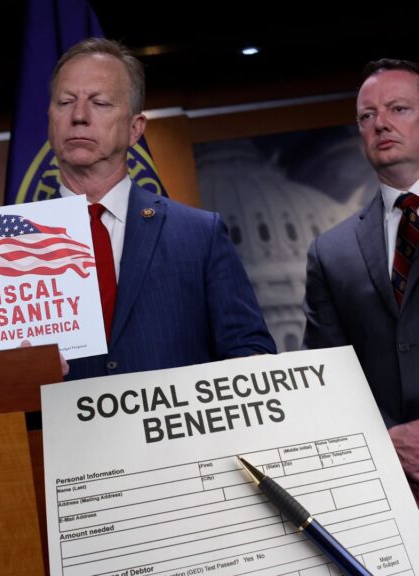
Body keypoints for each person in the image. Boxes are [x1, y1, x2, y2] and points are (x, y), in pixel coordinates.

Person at [47, 38, 275, 380]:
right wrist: (13, 370)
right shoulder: (5, 247)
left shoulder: (199, 234)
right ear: (49, 119)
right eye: (66, 102)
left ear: (135, 128)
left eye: (100, 103)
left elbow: (249, 352)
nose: (79, 116)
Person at [303, 59, 419, 496]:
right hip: (392, 482)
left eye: (398, 109)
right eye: (367, 117)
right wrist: (390, 439)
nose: (380, 124)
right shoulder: (330, 252)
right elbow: (326, 371)